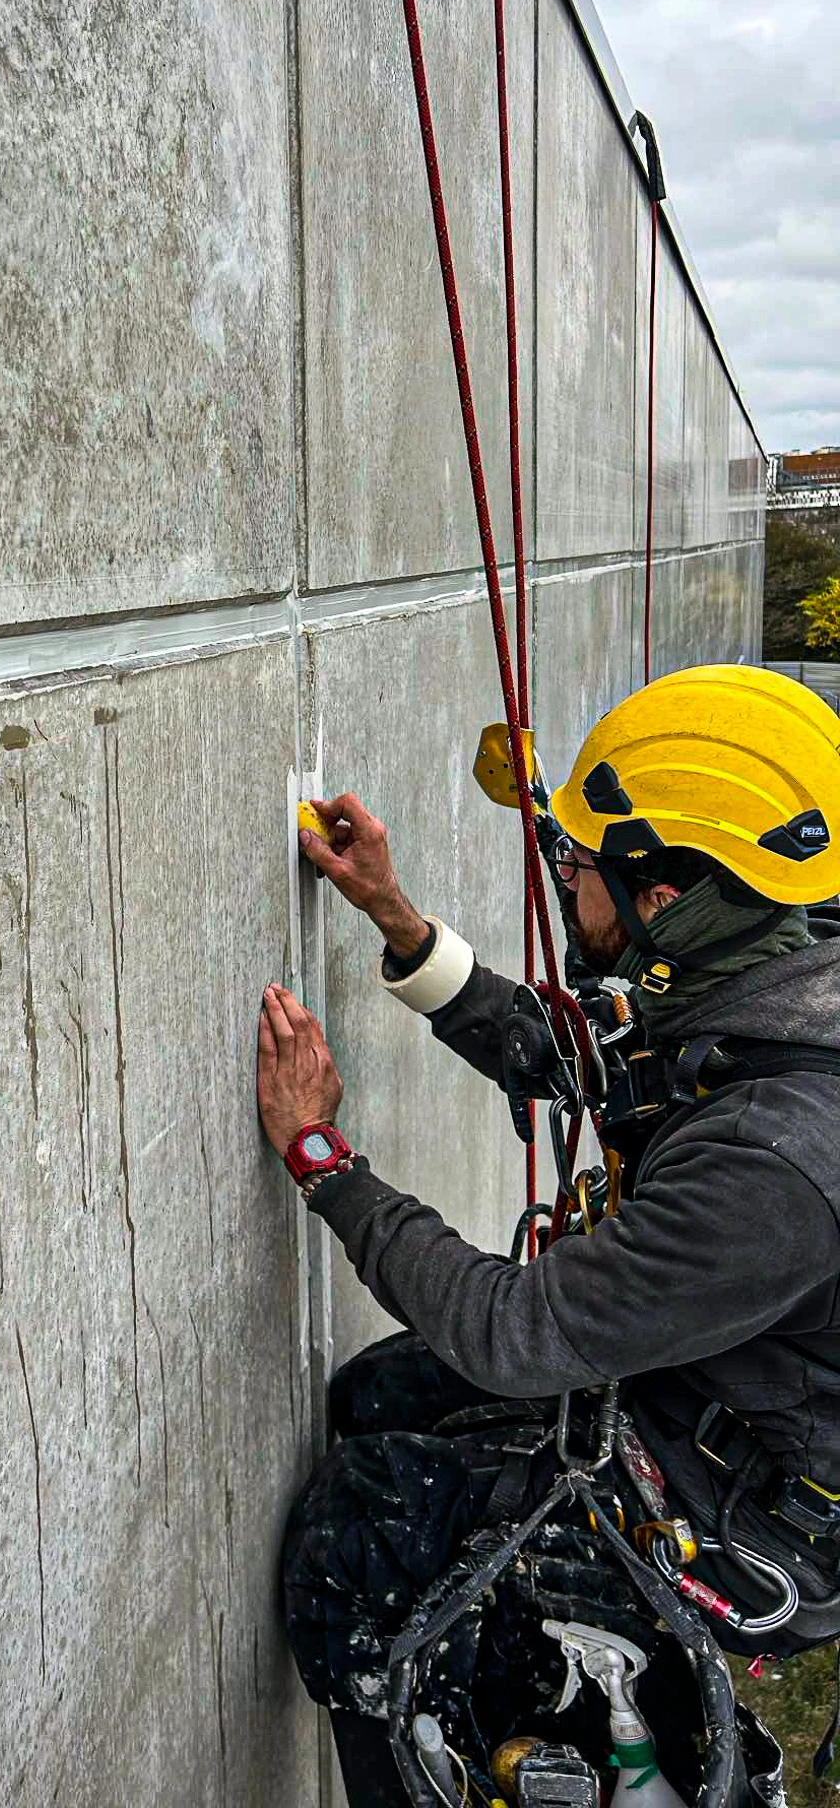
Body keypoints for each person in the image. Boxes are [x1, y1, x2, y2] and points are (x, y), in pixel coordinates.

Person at [256, 666, 840, 1803]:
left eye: (581, 863)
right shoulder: (774, 986)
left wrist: (324, 1159)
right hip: (716, 1400)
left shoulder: (777, 1158)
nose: (566, 880)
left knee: (358, 1530)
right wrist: (397, 918)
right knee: (379, 1393)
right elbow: (588, 1062)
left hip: (751, 1514)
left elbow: (512, 1333)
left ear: (669, 893)